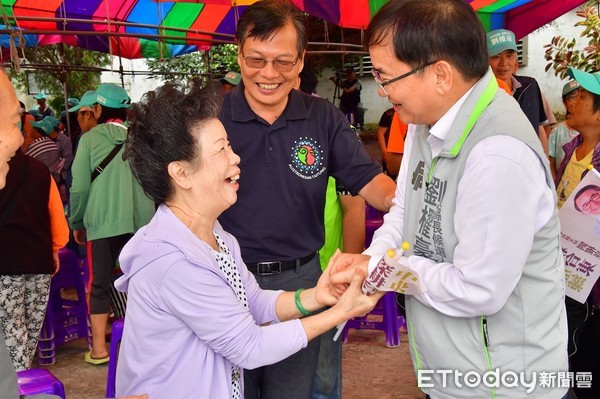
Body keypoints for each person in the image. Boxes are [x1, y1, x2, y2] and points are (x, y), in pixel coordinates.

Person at [329, 1, 568, 398]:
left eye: (386, 77)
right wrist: (373, 260)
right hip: (449, 373)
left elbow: (479, 289)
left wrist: (392, 270)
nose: (384, 91)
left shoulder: (497, 154)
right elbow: (403, 212)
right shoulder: (428, 123)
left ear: (440, 74)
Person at [114, 81, 381, 398]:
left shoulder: (217, 236)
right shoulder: (174, 262)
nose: (235, 158)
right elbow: (249, 347)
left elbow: (252, 303)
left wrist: (317, 297)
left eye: (229, 145)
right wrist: (340, 313)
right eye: (221, 150)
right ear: (181, 173)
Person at [218, 2, 396, 397]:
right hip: (226, 280)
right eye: (256, 60)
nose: (268, 74)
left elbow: (372, 183)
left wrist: (418, 202)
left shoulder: (323, 118)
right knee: (230, 389)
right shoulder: (212, 117)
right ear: (238, 53)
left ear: (301, 60)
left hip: (300, 280)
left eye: (282, 61)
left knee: (292, 391)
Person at [69, 83, 155, 365]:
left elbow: (79, 188)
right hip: (143, 225)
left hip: (102, 224)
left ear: (97, 109)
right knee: (142, 283)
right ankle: (144, 344)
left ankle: (99, 349)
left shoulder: (90, 139)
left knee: (99, 285)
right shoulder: (142, 137)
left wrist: (77, 221)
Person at [553, 68, 600, 399]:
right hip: (563, 272)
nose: (571, 102)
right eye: (570, 96)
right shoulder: (570, 150)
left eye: (581, 96)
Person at [487, 28, 549, 155]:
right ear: (485, 60)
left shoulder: (530, 85)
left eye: (509, 56)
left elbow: (539, 128)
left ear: (515, 58)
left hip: (531, 161)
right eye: (496, 57)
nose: (504, 63)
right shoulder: (482, 94)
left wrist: (545, 163)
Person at [549, 80, 581, 179]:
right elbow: (551, 162)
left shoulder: (593, 131)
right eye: (572, 97)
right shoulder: (557, 131)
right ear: (565, 102)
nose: (577, 101)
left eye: (582, 96)